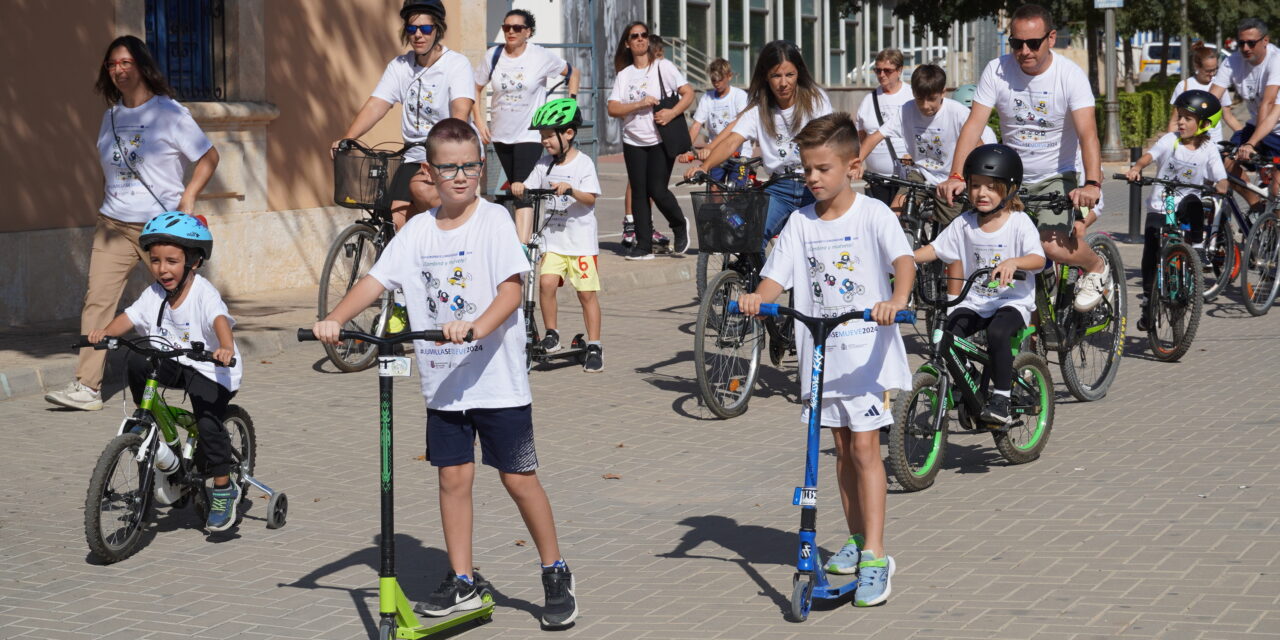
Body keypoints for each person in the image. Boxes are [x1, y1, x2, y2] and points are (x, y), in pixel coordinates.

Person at [312, 119, 577, 629]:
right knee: (453, 480)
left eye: (471, 166)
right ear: (430, 172)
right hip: (444, 383)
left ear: (481, 166)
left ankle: (555, 570)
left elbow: (508, 291)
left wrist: (477, 327)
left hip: (497, 381)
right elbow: (375, 280)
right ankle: (462, 580)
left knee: (518, 479)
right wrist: (336, 318)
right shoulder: (416, 232)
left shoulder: (495, 221)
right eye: (450, 168)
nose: (461, 177)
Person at [736, 113, 915, 607]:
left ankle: (877, 554)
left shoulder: (873, 215)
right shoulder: (800, 222)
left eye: (822, 169)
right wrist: (758, 296)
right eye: (806, 169)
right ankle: (856, 540)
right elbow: (777, 278)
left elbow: (902, 261)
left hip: (867, 353)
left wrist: (896, 301)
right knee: (839, 449)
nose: (812, 178)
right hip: (823, 354)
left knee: (864, 451)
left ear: (853, 166)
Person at [45, 35, 220, 412]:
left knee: (180, 299)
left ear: (141, 66)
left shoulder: (170, 113)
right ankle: (87, 387)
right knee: (98, 300)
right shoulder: (110, 116)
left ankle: (205, 370)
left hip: (159, 227)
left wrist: (188, 197)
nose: (119, 70)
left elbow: (208, 156)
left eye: (125, 62)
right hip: (113, 224)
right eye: (112, 64)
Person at [937, 4, 1110, 314]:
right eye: (1017, 43)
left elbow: (1088, 134)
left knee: (1049, 244)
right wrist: (956, 176)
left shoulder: (1069, 76)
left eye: (1033, 43)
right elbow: (973, 125)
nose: (1024, 51)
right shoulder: (997, 70)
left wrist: (1092, 183)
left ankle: (1097, 266)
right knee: (987, 242)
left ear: (1051, 38)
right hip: (1010, 179)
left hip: (1056, 175)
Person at [86, 212, 244, 530]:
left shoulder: (203, 292)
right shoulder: (156, 294)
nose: (162, 269)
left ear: (193, 262)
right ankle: (152, 423)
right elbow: (130, 317)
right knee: (137, 361)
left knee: (208, 423)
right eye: (156, 261)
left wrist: (225, 347)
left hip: (213, 368)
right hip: (177, 361)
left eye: (172, 261)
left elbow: (219, 321)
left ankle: (224, 488)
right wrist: (106, 333)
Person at [914, 144, 1046, 425]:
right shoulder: (965, 222)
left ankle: (1001, 396)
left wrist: (1015, 262)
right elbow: (936, 250)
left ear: (1009, 189)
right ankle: (972, 381)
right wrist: (904, 260)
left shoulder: (1019, 223)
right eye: (975, 186)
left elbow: (1038, 259)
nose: (981, 193)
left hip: (1011, 302)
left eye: (990, 187)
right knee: (946, 335)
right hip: (974, 300)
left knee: (998, 333)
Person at [333, 0, 475, 229]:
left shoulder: (456, 65)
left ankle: (448, 246)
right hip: (413, 152)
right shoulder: (400, 66)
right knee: (396, 219)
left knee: (428, 197)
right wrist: (348, 138)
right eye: (412, 29)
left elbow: (460, 112)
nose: (418, 34)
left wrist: (444, 154)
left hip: (449, 154)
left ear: (437, 29)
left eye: (425, 28)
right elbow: (376, 105)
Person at [684, 40, 833, 247]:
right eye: (776, 75)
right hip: (779, 187)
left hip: (815, 186)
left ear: (798, 73)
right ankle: (757, 278)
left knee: (820, 245)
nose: (783, 83)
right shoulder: (758, 110)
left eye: (789, 75)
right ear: (766, 76)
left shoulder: (816, 101)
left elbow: (834, 140)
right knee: (750, 236)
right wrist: (704, 167)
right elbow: (732, 141)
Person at [510, 99, 605, 373]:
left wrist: (571, 189)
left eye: (549, 136)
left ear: (568, 134)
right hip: (553, 242)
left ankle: (596, 345)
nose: (545, 142)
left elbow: (590, 198)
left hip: (581, 244)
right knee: (546, 283)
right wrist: (519, 186)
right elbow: (527, 185)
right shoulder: (543, 164)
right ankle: (552, 334)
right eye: (542, 137)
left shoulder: (583, 164)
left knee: (586, 295)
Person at [1125, 90, 1229, 332]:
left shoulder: (1209, 149)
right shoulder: (1169, 140)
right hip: (1164, 204)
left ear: (1204, 124)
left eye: (1187, 119)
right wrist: (1137, 168)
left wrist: (1222, 186)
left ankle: (1197, 248)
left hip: (1184, 206)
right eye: (1179, 117)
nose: (1180, 122)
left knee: (1194, 201)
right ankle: (1147, 300)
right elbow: (1149, 156)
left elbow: (1220, 176)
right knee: (1152, 244)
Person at [857, 64, 997, 225]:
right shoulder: (906, 110)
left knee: (950, 228)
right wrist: (858, 161)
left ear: (943, 92)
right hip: (921, 174)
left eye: (931, 99)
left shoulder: (957, 113)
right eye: (919, 99)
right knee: (892, 219)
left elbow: (978, 147)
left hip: (949, 177)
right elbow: (876, 136)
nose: (924, 106)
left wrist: (968, 179)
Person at [473, 8, 580, 209]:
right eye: (506, 27)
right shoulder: (493, 55)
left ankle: (525, 239)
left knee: (521, 188)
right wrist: (479, 122)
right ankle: (527, 235)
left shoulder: (540, 55)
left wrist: (570, 105)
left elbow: (574, 73)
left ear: (528, 32)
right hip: (500, 134)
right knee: (518, 191)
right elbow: (475, 87)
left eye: (517, 27)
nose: (510, 31)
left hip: (529, 134)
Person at [608, 23, 694, 260]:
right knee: (638, 192)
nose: (640, 39)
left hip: (659, 139)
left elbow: (689, 93)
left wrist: (671, 113)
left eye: (643, 35)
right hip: (633, 140)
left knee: (656, 189)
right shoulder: (624, 75)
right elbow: (612, 107)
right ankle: (643, 245)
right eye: (634, 36)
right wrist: (639, 104)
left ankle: (678, 224)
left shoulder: (662, 67)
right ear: (627, 43)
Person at [1214, 18, 1280, 211]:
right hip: (1257, 125)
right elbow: (1212, 97)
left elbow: (1268, 104)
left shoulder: (1276, 60)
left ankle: (1274, 233)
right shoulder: (1232, 61)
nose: (1245, 48)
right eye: (1241, 42)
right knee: (1225, 161)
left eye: (1251, 43)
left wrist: (1252, 143)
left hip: (1275, 126)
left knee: (1276, 191)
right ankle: (1255, 205)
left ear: (1265, 41)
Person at [855, 49, 913, 206]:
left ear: (900, 70)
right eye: (878, 70)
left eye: (887, 70)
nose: (882, 75)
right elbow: (861, 136)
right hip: (877, 179)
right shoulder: (869, 100)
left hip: (908, 178)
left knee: (902, 223)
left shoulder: (912, 96)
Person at [685, 58, 753, 186]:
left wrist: (710, 147)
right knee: (714, 190)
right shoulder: (707, 97)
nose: (716, 84)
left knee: (736, 192)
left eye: (720, 80)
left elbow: (733, 127)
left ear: (729, 76)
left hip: (739, 154)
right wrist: (685, 149)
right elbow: (696, 126)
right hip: (716, 154)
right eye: (713, 80)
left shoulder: (740, 96)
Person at [1169, 43, 1242, 144]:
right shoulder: (1184, 86)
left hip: (1214, 144)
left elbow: (1228, 116)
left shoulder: (1219, 85)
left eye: (1215, 69)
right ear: (1197, 67)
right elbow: (1174, 121)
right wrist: (1169, 145)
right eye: (1208, 71)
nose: (1212, 74)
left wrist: (1246, 138)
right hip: (1189, 145)